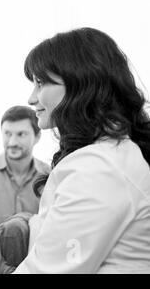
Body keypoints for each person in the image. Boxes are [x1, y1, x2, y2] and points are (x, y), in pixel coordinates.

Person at [12, 27, 150, 273]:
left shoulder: (99, 168)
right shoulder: (106, 156)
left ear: (80, 84)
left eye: (40, 83)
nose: (31, 98)